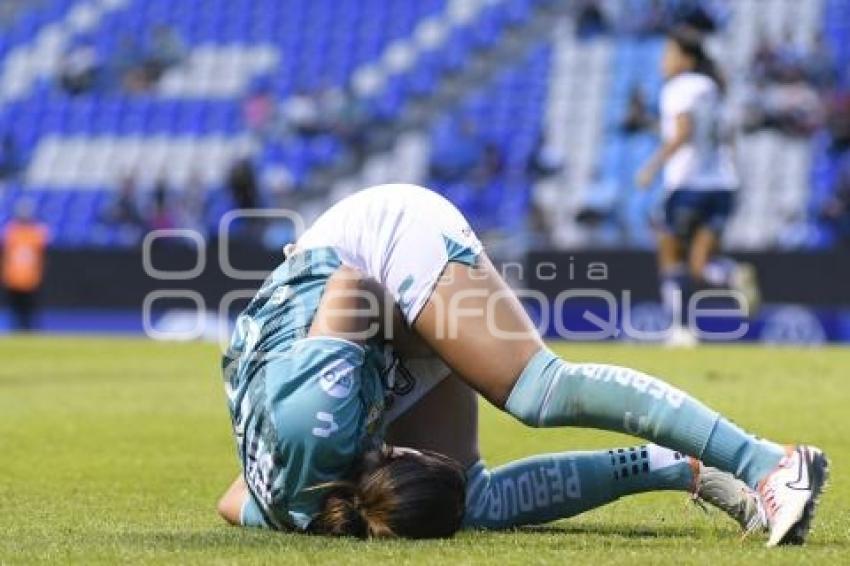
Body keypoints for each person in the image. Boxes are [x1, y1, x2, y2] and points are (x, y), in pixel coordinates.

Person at [217, 184, 827, 546]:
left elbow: (350, 287)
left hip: (374, 245)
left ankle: (770, 463)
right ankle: (678, 466)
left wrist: (436, 335)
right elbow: (234, 499)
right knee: (475, 504)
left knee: (535, 391)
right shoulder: (304, 510)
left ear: (397, 452)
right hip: (370, 358)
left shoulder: (314, 421)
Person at [635, 28, 758, 346]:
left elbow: (682, 133)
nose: (664, 61)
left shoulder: (679, 87)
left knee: (670, 255)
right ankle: (730, 275)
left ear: (686, 59)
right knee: (700, 265)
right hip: (722, 184)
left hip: (687, 185)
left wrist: (650, 169)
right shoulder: (713, 87)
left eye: (669, 54)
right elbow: (724, 135)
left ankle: (680, 329)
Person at [1, 200, 49, 331]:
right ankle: (17, 330)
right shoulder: (11, 231)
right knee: (15, 308)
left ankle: (30, 330)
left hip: (31, 277)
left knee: (30, 308)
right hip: (13, 277)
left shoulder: (37, 232)